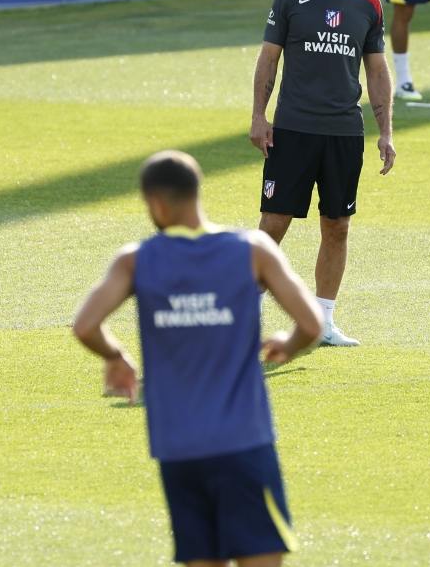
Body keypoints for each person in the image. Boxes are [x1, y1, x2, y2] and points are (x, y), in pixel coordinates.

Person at [73, 151, 323, 567]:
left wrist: (116, 356)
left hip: (178, 451)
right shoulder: (253, 249)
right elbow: (311, 324)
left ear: (155, 204)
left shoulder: (136, 260)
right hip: (243, 445)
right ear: (196, 193)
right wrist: (289, 342)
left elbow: (85, 325)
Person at [249, 0, 395, 347]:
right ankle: (247, 316)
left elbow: (377, 70)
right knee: (273, 223)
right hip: (293, 130)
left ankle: (323, 322)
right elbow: (268, 59)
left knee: (337, 226)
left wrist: (385, 131)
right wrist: (259, 116)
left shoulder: (368, 4)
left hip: (344, 134)